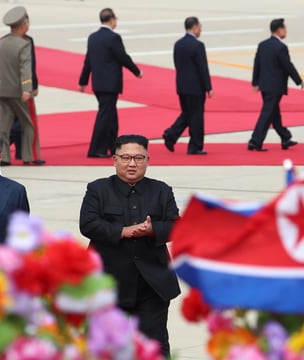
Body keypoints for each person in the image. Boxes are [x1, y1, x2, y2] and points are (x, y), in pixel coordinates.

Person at [79, 134, 181, 357]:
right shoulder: (98, 189)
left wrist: (152, 229)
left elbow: (175, 225)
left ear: (147, 160)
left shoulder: (161, 191)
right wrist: (122, 231)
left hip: (151, 286)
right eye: (125, 157)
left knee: (154, 344)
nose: (132, 163)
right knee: (106, 347)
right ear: (114, 160)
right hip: (109, 284)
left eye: (138, 158)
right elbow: (88, 224)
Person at [78, 8, 143, 158]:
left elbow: (88, 61)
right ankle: (95, 149)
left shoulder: (93, 37)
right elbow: (123, 57)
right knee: (105, 116)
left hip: (98, 84)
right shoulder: (113, 38)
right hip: (110, 84)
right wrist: (137, 71)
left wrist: (83, 80)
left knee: (111, 116)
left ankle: (113, 146)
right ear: (112, 20)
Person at [0, 6, 45, 166]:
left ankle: (2, 156)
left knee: (3, 125)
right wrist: (27, 89)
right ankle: (30, 155)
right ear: (24, 24)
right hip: (19, 91)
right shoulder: (24, 43)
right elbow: (26, 68)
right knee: (29, 123)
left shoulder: (2, 42)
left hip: (4, 89)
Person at [248, 18, 303, 152]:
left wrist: (255, 82)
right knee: (267, 113)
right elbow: (287, 66)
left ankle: (285, 138)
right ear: (279, 30)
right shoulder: (281, 47)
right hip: (275, 86)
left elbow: (257, 64)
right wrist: (298, 80)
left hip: (264, 85)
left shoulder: (262, 45)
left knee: (274, 113)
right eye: (284, 28)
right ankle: (255, 141)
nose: (286, 31)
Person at [162, 16, 213, 155]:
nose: (200, 30)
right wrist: (208, 87)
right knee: (196, 116)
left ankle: (171, 135)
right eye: (200, 27)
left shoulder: (178, 44)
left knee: (187, 113)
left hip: (182, 85)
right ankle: (195, 146)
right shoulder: (198, 45)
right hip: (195, 87)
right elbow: (202, 68)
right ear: (194, 27)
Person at [10, 32, 40, 161]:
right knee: (27, 120)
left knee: (16, 119)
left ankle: (20, 151)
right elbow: (30, 66)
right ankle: (26, 152)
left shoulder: (6, 41)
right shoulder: (27, 40)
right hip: (23, 87)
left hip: (10, 86)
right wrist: (32, 86)